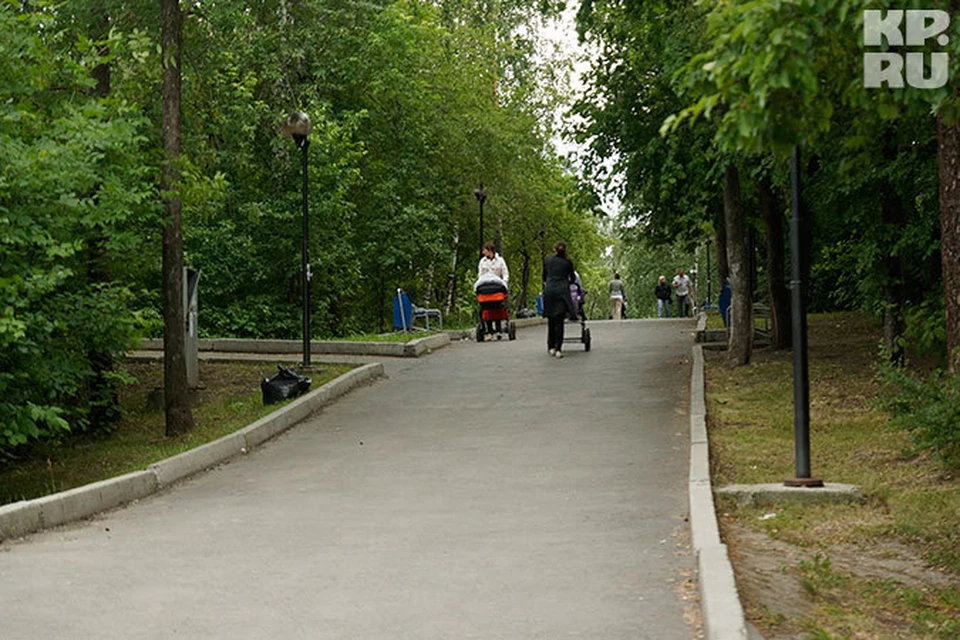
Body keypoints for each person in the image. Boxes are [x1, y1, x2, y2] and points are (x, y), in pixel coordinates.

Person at [542, 241, 575, 358]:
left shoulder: (547, 261)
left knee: (551, 320)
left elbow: (544, 277)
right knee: (559, 322)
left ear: (554, 249)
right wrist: (566, 282)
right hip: (562, 292)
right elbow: (573, 278)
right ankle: (558, 349)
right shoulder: (568, 262)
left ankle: (550, 346)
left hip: (550, 291)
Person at [475, 242, 509, 335]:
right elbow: (480, 274)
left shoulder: (500, 261)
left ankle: (498, 329)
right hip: (485, 285)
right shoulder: (483, 262)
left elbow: (505, 273)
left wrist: (504, 283)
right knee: (486, 307)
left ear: (489, 250)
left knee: (498, 306)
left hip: (497, 285)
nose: (483, 252)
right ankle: (489, 329)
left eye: (484, 250)